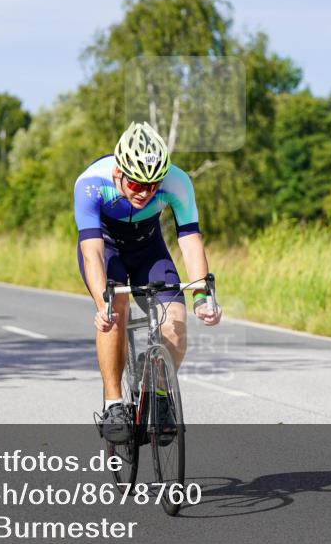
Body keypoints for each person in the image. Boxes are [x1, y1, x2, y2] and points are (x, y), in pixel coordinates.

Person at [73, 121, 221, 443]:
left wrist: (201, 296)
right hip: (107, 247)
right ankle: (114, 404)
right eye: (136, 184)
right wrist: (103, 303)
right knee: (116, 310)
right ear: (119, 174)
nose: (145, 192)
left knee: (176, 324)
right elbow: (92, 253)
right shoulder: (91, 184)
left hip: (148, 248)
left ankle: (158, 390)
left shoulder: (178, 182)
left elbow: (190, 239)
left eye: (153, 185)